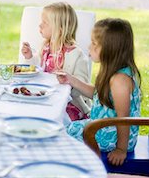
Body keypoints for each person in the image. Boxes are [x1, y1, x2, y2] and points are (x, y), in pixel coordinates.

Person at [57, 18, 141, 166]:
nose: (89, 47)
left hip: (112, 137)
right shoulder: (113, 72)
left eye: (94, 43)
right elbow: (98, 95)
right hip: (102, 128)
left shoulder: (120, 81)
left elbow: (123, 119)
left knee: (59, 139)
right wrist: (72, 80)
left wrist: (121, 149)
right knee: (59, 127)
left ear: (110, 49)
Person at [21, 2, 91, 120]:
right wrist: (29, 57)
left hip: (69, 104)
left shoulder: (77, 55)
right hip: (45, 97)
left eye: (45, 23)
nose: (40, 25)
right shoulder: (46, 47)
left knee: (53, 119)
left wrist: (69, 81)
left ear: (59, 29)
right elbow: (36, 70)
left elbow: (82, 87)